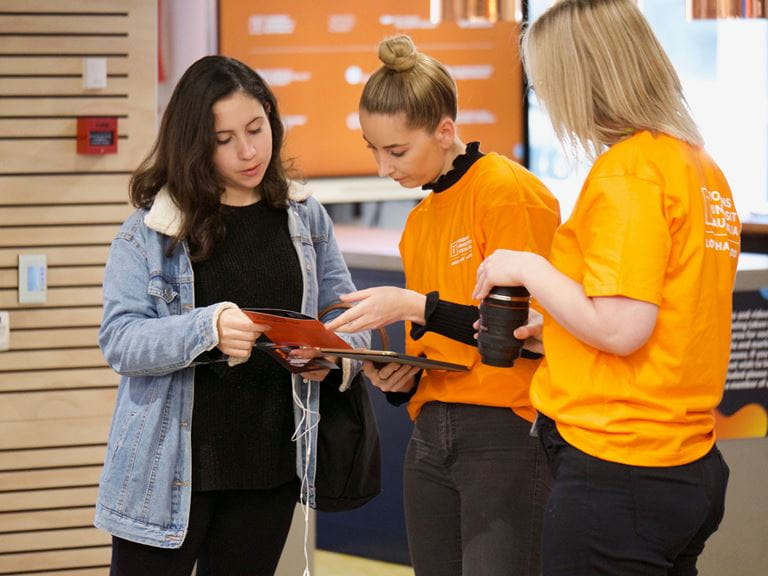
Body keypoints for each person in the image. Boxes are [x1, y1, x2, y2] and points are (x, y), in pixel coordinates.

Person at [472, 1, 740, 575]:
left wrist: (527, 266)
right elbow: (666, 318)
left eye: (546, 84)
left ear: (580, 80)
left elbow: (621, 329)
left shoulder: (629, 171)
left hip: (619, 467)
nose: (546, 100)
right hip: (686, 463)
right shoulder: (697, 167)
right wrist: (559, 332)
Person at [93, 54, 369, 576]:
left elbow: (351, 320)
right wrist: (207, 329)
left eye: (256, 129)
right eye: (224, 139)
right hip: (166, 477)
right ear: (195, 144)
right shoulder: (150, 229)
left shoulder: (305, 217)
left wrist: (331, 357)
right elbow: (121, 340)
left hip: (269, 470)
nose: (248, 151)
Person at [325, 34, 560, 576]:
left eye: (396, 151)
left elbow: (528, 337)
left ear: (445, 131)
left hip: (507, 428)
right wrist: (401, 379)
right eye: (372, 149)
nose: (383, 168)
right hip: (430, 432)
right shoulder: (420, 221)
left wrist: (416, 306)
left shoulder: (507, 192)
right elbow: (438, 345)